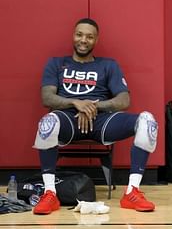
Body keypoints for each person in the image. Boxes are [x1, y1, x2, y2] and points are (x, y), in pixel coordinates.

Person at [33, 18, 158, 214]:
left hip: (101, 121)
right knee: (47, 122)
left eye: (89, 37)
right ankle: (50, 194)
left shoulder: (108, 65)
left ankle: (132, 192)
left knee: (148, 121)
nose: (83, 40)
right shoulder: (56, 63)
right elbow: (47, 97)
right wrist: (75, 103)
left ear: (96, 40)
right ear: (73, 36)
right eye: (79, 34)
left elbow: (124, 100)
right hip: (67, 121)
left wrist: (93, 106)